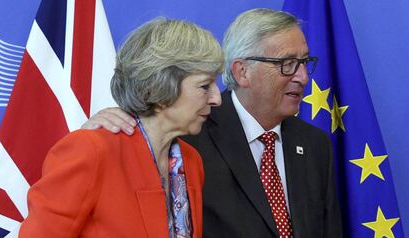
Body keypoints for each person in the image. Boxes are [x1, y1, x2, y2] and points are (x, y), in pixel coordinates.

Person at [83, 9, 343, 238]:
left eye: (305, 63)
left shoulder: (314, 145)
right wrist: (104, 128)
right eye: (287, 64)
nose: (302, 77)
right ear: (242, 72)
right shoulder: (186, 134)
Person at [19, 17, 224, 238]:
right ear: (162, 86)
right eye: (205, 86)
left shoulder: (191, 161)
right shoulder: (91, 150)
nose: (217, 98)